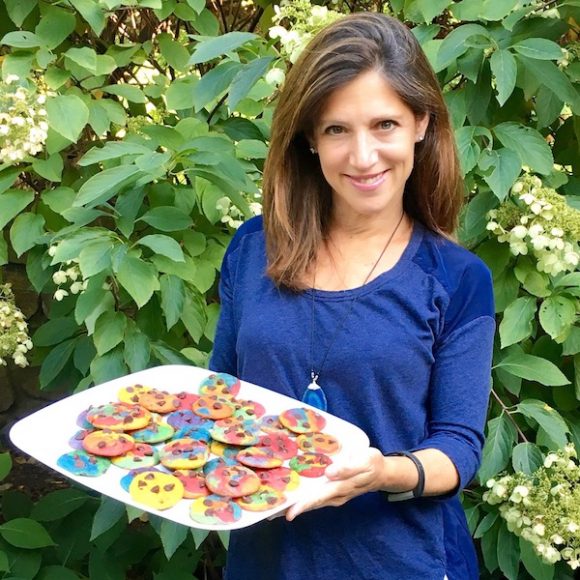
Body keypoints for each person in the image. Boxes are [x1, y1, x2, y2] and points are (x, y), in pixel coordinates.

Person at [209, 12, 495, 580]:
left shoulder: (458, 279)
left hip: (402, 562)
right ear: (310, 139)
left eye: (384, 124)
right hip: (267, 561)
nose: (363, 157)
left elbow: (459, 448)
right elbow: (222, 395)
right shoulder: (252, 249)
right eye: (337, 129)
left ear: (420, 123)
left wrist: (383, 472)